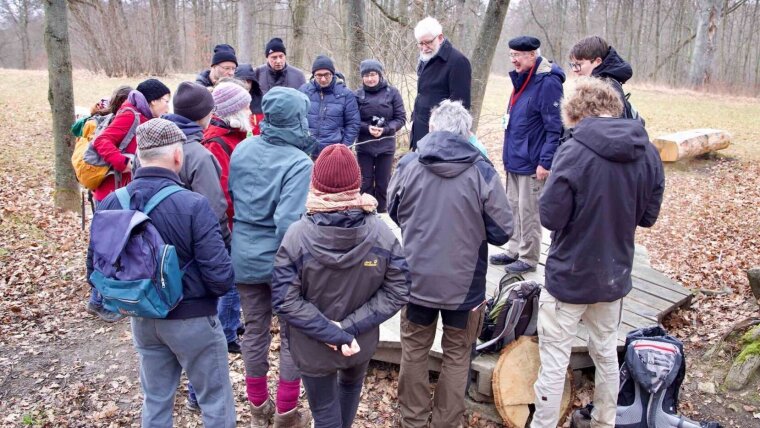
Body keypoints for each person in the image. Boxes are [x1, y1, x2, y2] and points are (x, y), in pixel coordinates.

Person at [531, 77, 664, 428]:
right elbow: (648, 217)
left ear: (575, 113)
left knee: (555, 359)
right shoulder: (647, 152)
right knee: (605, 353)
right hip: (614, 274)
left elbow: (550, 216)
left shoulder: (572, 151)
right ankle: (605, 422)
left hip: (569, 275)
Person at [93, 118, 236, 427]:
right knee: (216, 403)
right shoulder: (194, 205)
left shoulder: (110, 203)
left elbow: (96, 267)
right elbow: (221, 278)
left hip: (142, 318)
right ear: (177, 156)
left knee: (155, 401)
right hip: (193, 319)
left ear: (139, 156)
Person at [387, 100, 513, 428]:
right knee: (458, 354)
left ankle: (412, 420)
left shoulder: (409, 164)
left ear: (432, 128)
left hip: (416, 279)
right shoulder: (482, 171)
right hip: (465, 286)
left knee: (414, 349)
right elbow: (503, 230)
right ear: (467, 133)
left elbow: (393, 209)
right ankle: (446, 422)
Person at [271, 144, 410, 428]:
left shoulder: (297, 236)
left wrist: (336, 331)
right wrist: (346, 330)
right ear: (356, 184)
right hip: (358, 340)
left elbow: (285, 300)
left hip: (314, 344)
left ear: (315, 184)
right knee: (347, 392)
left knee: (324, 413)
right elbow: (399, 288)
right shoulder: (381, 233)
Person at [229, 86, 315, 428]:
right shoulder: (299, 162)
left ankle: (257, 409)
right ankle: (286, 412)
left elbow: (235, 198)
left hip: (243, 255)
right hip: (280, 262)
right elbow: (287, 223)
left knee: (255, 332)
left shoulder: (243, 149)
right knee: (293, 336)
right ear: (296, 119)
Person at [85, 79, 171, 322]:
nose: (167, 106)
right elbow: (101, 142)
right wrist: (125, 163)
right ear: (153, 100)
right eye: (165, 101)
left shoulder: (143, 116)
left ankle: (113, 297)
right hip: (112, 191)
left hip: (123, 190)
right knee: (109, 246)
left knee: (120, 245)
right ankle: (98, 300)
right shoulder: (130, 115)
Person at [489, 36, 565, 274]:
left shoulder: (548, 82)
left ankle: (529, 257)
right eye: (511, 55)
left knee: (529, 211)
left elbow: (555, 127)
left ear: (532, 55)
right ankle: (514, 249)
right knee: (513, 207)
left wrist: (546, 161)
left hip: (533, 162)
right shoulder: (522, 79)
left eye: (518, 55)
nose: (513, 60)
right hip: (515, 158)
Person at [409, 16, 471, 151]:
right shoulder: (426, 58)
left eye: (428, 43)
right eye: (420, 43)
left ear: (440, 37)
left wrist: (447, 139)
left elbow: (460, 107)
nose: (424, 48)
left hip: (441, 140)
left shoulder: (458, 62)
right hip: (420, 132)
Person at [354, 59, 406, 213]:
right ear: (362, 77)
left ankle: (383, 213)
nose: (370, 79)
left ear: (379, 74)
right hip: (364, 146)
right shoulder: (357, 95)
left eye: (373, 74)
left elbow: (401, 118)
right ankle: (366, 214)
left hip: (386, 146)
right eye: (366, 75)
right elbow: (353, 119)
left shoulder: (393, 93)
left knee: (384, 183)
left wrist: (386, 130)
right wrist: (366, 128)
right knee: (365, 183)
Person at [568, 35, 643, 122]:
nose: (574, 70)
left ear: (597, 61)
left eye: (579, 64)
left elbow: (606, 130)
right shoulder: (602, 83)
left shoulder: (605, 87)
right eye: (573, 65)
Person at [300, 55, 360, 157]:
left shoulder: (345, 94)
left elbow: (353, 124)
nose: (323, 79)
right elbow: (296, 119)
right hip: (307, 152)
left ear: (332, 74)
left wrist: (343, 148)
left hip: (333, 153)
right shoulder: (304, 92)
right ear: (313, 75)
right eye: (319, 75)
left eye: (326, 75)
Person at [235, 64, 265, 134]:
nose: (245, 85)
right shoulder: (228, 102)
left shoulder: (262, 100)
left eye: (248, 81)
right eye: (242, 81)